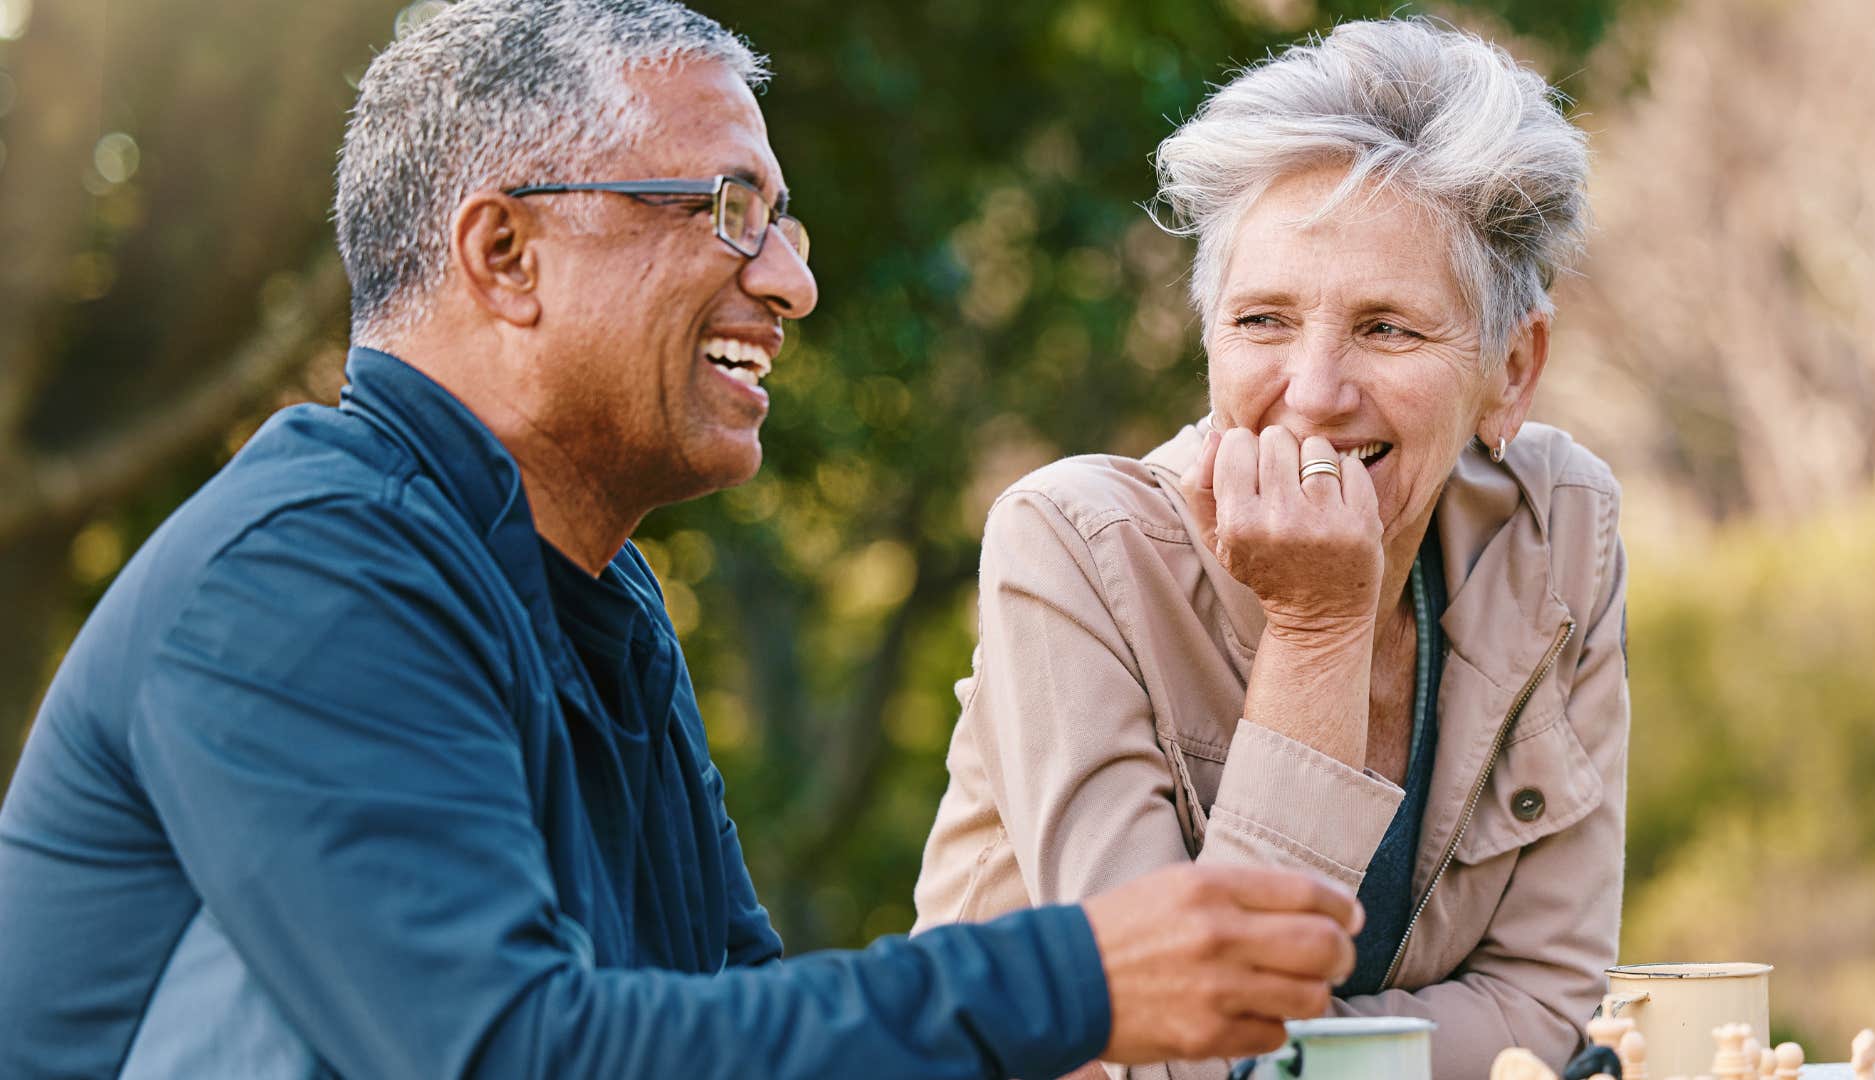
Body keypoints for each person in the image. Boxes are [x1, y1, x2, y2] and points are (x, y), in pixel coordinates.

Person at [0, 2, 1367, 1077]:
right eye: (729, 211)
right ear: (506, 255)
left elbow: (726, 1012)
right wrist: (1068, 981)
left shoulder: (595, 597)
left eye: (782, 222)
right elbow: (506, 1053)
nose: (794, 281)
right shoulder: (304, 574)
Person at [913, 18, 1627, 1080]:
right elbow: (1177, 1052)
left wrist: (1299, 1056)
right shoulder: (1072, 547)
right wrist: (1319, 624)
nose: (1315, 393)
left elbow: (1547, 999)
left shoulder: (1555, 523)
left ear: (1511, 372)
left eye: (1388, 328)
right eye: (1263, 321)